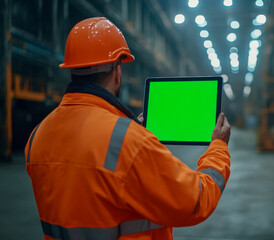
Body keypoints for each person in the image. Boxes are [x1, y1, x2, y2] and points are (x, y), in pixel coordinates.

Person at [25, 17, 231, 240]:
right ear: (117, 71)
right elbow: (195, 201)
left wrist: (131, 133)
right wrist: (218, 147)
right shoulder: (128, 142)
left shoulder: (38, 135)